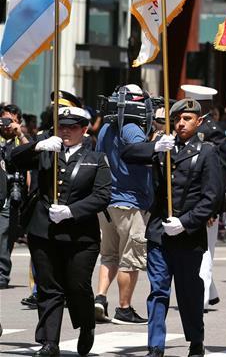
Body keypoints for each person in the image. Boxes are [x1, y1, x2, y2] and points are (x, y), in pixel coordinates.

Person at [121, 98, 222, 357]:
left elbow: (211, 197)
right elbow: (127, 154)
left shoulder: (207, 151)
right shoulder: (165, 146)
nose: (181, 123)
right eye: (177, 119)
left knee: (189, 291)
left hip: (188, 234)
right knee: (158, 290)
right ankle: (156, 345)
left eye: (187, 119)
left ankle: (196, 340)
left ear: (198, 121)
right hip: (159, 231)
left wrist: (186, 222)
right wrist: (155, 146)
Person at [11, 103, 112, 357]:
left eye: (73, 127)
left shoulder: (96, 159)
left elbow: (102, 196)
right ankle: (49, 342)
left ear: (84, 130)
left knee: (77, 285)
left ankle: (86, 324)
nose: (66, 131)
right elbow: (12, 161)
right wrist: (36, 145)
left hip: (81, 234)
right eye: (62, 127)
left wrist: (72, 210)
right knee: (48, 286)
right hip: (43, 229)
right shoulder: (48, 148)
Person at [93, 84, 153, 325]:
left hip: (107, 202)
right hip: (131, 201)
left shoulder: (106, 128)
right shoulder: (131, 128)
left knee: (108, 255)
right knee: (131, 257)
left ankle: (100, 298)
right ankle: (124, 308)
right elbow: (143, 153)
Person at [181, 84, 226, 311]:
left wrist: (214, 206)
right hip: (191, 202)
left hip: (205, 202)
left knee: (205, 251)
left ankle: (200, 297)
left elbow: (221, 171)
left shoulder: (212, 131)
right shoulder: (190, 129)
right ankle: (210, 292)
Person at [1, 103, 30, 289]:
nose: (6, 125)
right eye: (2, 120)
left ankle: (2, 274)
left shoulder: (20, 140)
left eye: (10, 121)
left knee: (6, 235)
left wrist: (19, 133)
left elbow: (34, 152)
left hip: (13, 197)